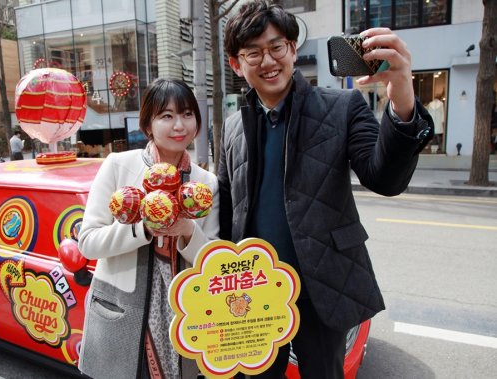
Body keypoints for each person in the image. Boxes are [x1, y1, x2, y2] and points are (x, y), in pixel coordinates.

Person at [218, 1, 433, 378]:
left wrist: (401, 95)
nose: (268, 60)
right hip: (254, 294)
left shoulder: (343, 106)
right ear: (237, 64)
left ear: (293, 50)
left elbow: (384, 178)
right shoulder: (233, 126)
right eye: (253, 52)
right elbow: (226, 209)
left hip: (322, 288)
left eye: (277, 47)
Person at [78, 78, 219, 379]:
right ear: (148, 124)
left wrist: (187, 230)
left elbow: (214, 257)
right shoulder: (118, 166)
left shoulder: (206, 183)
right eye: (166, 116)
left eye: (187, 114)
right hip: (123, 313)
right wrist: (144, 228)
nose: (179, 125)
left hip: (183, 314)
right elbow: (88, 241)